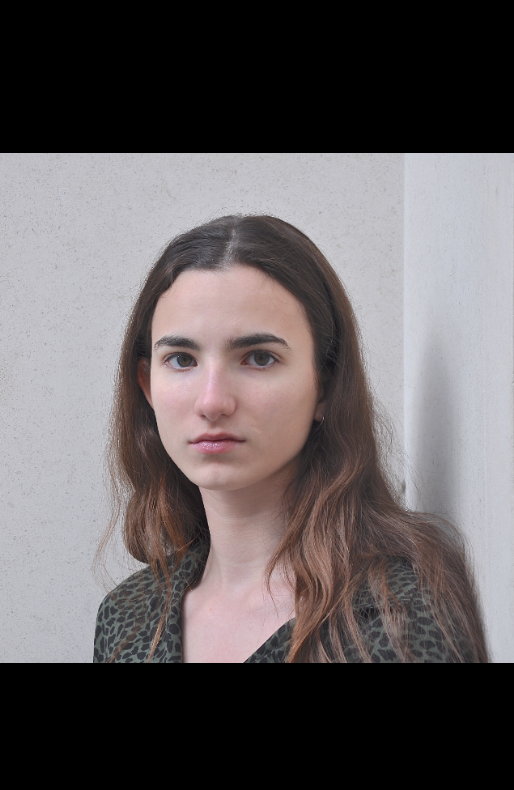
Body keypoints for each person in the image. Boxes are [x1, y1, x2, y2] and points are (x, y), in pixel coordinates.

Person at [94, 215, 488, 663]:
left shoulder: (397, 613)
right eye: (182, 359)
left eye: (259, 358)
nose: (212, 401)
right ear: (147, 386)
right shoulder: (127, 618)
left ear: (326, 384)